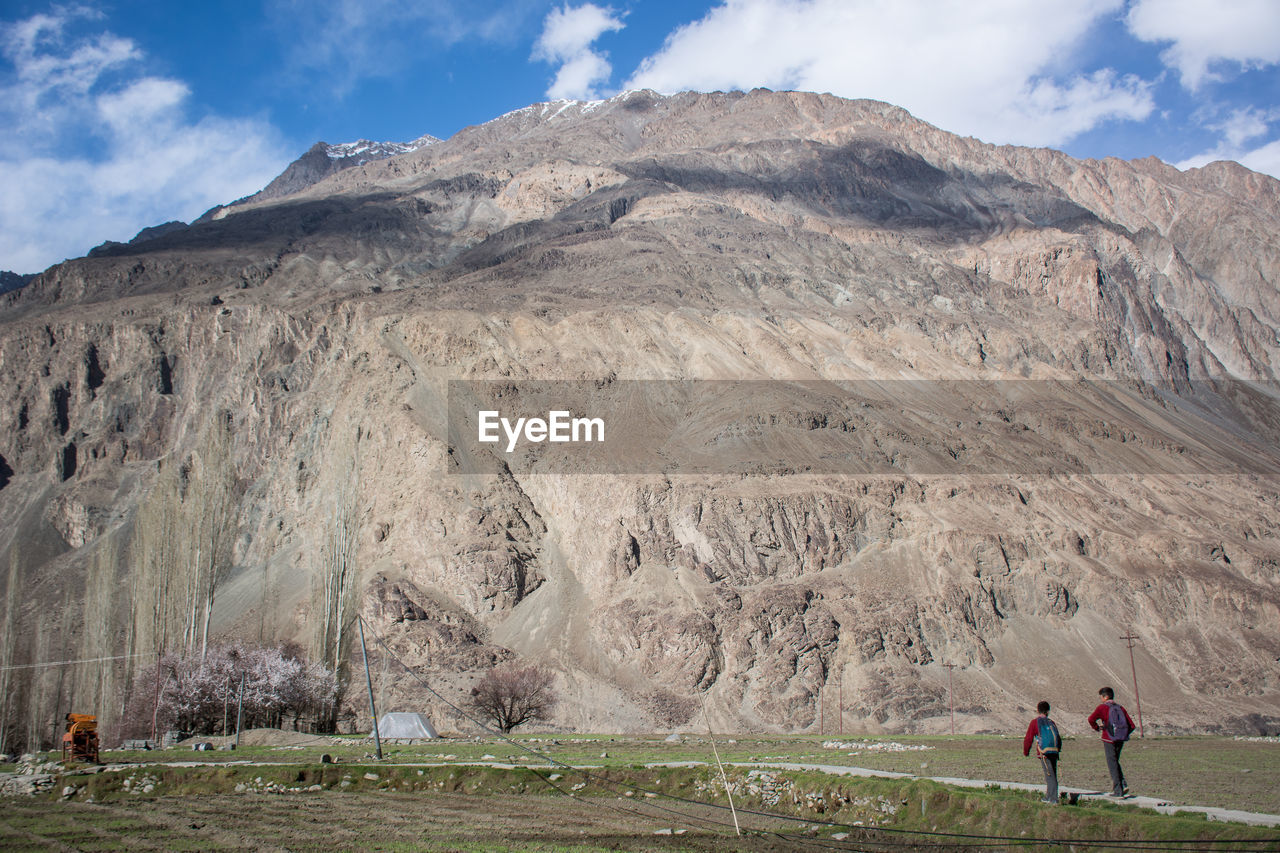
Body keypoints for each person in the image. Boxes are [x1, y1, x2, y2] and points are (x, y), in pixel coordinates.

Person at [1087, 686, 1135, 797]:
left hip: (1108, 738)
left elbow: (1091, 719)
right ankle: (1123, 783)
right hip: (1120, 739)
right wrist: (1123, 734)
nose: (1101, 699)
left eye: (1101, 697)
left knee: (1112, 763)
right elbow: (1131, 725)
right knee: (1115, 761)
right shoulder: (1120, 708)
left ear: (1105, 697)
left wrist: (1097, 728)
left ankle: (1118, 792)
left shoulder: (1102, 708)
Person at [1023, 700, 1061, 804]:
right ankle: (1049, 796)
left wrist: (1026, 751)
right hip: (1054, 751)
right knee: (1052, 773)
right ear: (1048, 711)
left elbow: (1028, 738)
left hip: (1044, 752)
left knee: (1049, 775)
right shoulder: (1051, 722)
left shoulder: (1035, 722)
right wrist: (1058, 750)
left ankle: (1054, 798)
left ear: (1037, 710)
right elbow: (1058, 737)